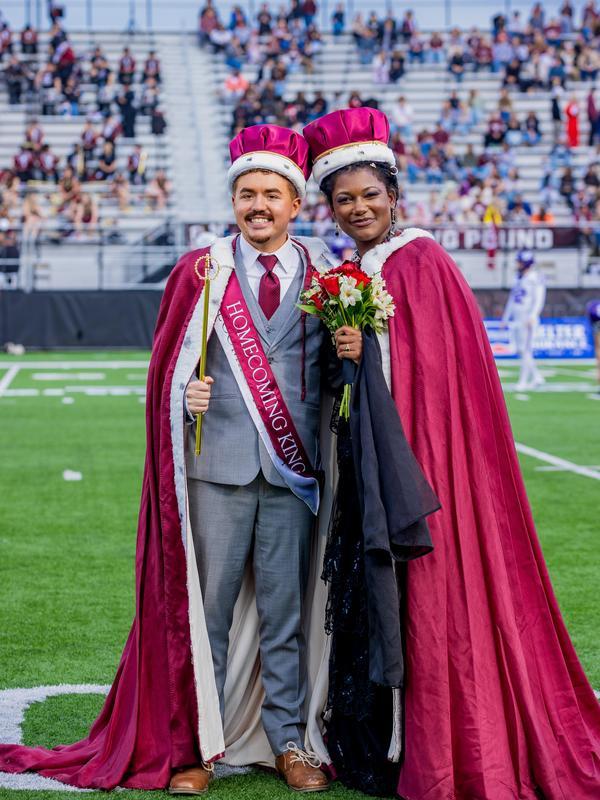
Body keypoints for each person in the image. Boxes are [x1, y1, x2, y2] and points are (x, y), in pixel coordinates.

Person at [0, 124, 339, 795]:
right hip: (215, 467)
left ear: (296, 203)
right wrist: (184, 395)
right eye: (248, 193)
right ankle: (196, 747)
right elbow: (164, 367)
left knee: (285, 614)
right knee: (203, 615)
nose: (259, 204)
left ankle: (290, 742)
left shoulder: (329, 275)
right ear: (234, 200)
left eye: (273, 193)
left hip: (294, 472)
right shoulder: (200, 270)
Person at [303, 106, 600, 798]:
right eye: (344, 200)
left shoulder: (423, 259)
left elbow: (433, 375)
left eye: (370, 195)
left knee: (429, 599)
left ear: (394, 195)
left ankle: (431, 741)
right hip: (369, 464)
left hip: (424, 468)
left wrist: (368, 350)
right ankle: (378, 736)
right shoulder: (352, 270)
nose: (358, 208)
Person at [501, 249, 547, 391]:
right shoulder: (519, 277)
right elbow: (512, 299)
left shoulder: (535, 277)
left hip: (528, 318)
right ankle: (537, 377)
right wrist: (506, 317)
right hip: (517, 318)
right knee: (521, 350)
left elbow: (539, 299)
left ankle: (523, 382)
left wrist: (533, 315)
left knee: (526, 350)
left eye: (520, 261)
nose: (518, 264)